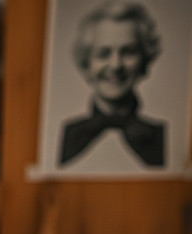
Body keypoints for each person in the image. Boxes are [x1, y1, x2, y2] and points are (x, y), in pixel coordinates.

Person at [59, 0, 165, 168]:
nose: (116, 65)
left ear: (145, 59)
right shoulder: (65, 135)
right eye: (103, 53)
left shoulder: (162, 136)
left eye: (128, 52)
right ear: (87, 63)